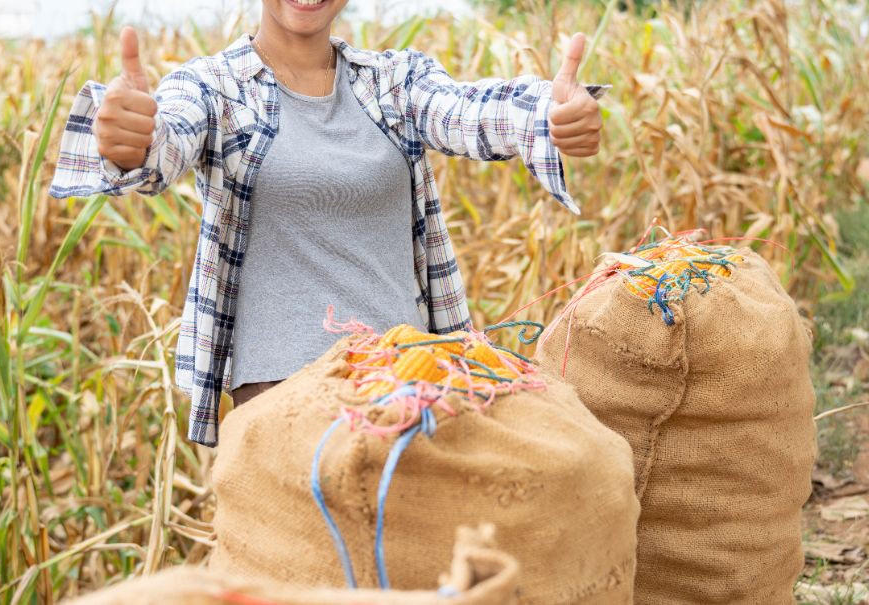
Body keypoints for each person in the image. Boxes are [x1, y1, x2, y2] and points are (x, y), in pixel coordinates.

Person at [48, 0, 604, 447]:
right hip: (281, 396)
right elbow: (164, 144)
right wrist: (132, 143)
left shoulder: (395, 82)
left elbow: (469, 112)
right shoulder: (213, 88)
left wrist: (549, 118)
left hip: (406, 381)